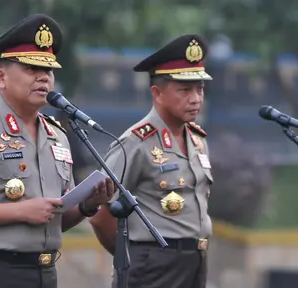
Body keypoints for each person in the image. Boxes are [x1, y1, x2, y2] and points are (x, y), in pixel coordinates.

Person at [0, 14, 114, 288]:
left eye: (49, 70)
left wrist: (87, 206)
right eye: (31, 68)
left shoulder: (58, 136)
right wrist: (19, 211)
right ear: (0, 77)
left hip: (44, 272)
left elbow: (54, 219)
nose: (43, 77)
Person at [89, 34, 214, 288]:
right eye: (185, 89)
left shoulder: (197, 139)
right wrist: (134, 257)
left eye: (200, 88)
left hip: (195, 260)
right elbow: (100, 213)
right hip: (152, 264)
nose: (196, 98)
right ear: (157, 93)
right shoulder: (136, 142)